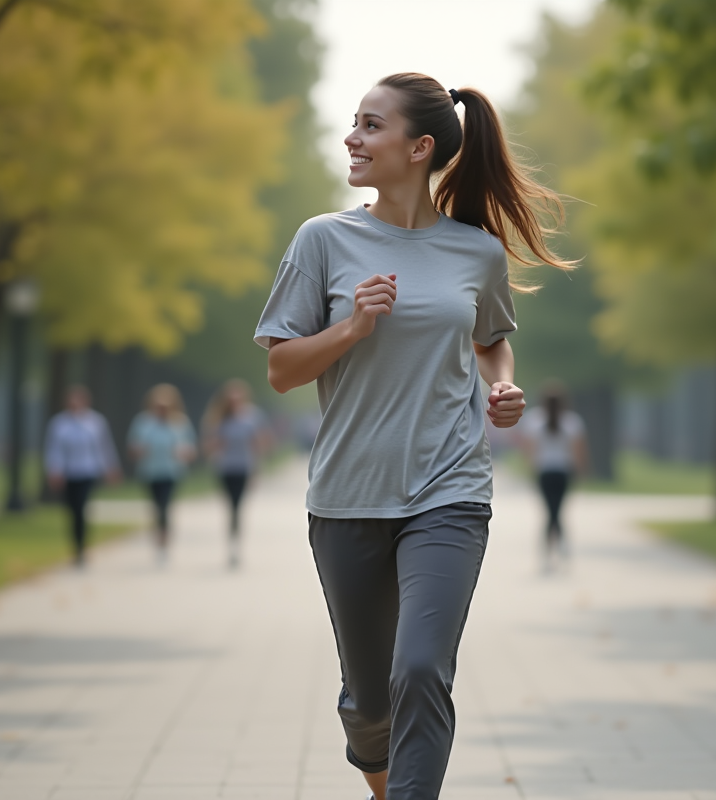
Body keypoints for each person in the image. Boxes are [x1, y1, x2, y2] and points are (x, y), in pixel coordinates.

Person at [254, 73, 572, 800]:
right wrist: (351, 328)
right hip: (348, 495)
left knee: (423, 669)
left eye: (370, 125)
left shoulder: (476, 252)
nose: (352, 138)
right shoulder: (324, 240)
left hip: (449, 489)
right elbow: (279, 371)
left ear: (419, 146)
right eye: (354, 123)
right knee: (369, 707)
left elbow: (491, 338)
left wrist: (500, 385)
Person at [44, 386, 121, 567]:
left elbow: (103, 447)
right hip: (68, 472)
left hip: (87, 471)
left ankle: (81, 548)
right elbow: (54, 449)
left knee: (81, 508)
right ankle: (75, 546)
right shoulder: (58, 423)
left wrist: (110, 468)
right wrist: (54, 470)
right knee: (72, 511)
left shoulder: (96, 422)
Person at [201, 379, 270, 569]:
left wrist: (257, 469)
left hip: (244, 468)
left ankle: (236, 545)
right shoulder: (218, 418)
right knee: (230, 506)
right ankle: (231, 543)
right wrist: (216, 444)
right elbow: (208, 445)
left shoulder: (252, 416)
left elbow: (259, 444)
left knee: (238, 507)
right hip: (225, 469)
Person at [519, 382, 589, 567]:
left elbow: (529, 449)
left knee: (550, 511)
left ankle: (549, 549)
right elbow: (578, 451)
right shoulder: (572, 421)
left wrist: (530, 468)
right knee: (557, 511)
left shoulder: (534, 420)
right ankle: (561, 544)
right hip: (563, 472)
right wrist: (581, 471)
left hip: (544, 472)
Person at [128, 384, 197, 563]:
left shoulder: (179, 423)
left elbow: (191, 449)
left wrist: (182, 452)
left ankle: (164, 542)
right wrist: (140, 451)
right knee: (156, 507)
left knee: (165, 506)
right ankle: (158, 536)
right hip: (150, 472)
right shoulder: (143, 423)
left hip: (172, 472)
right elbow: (133, 447)